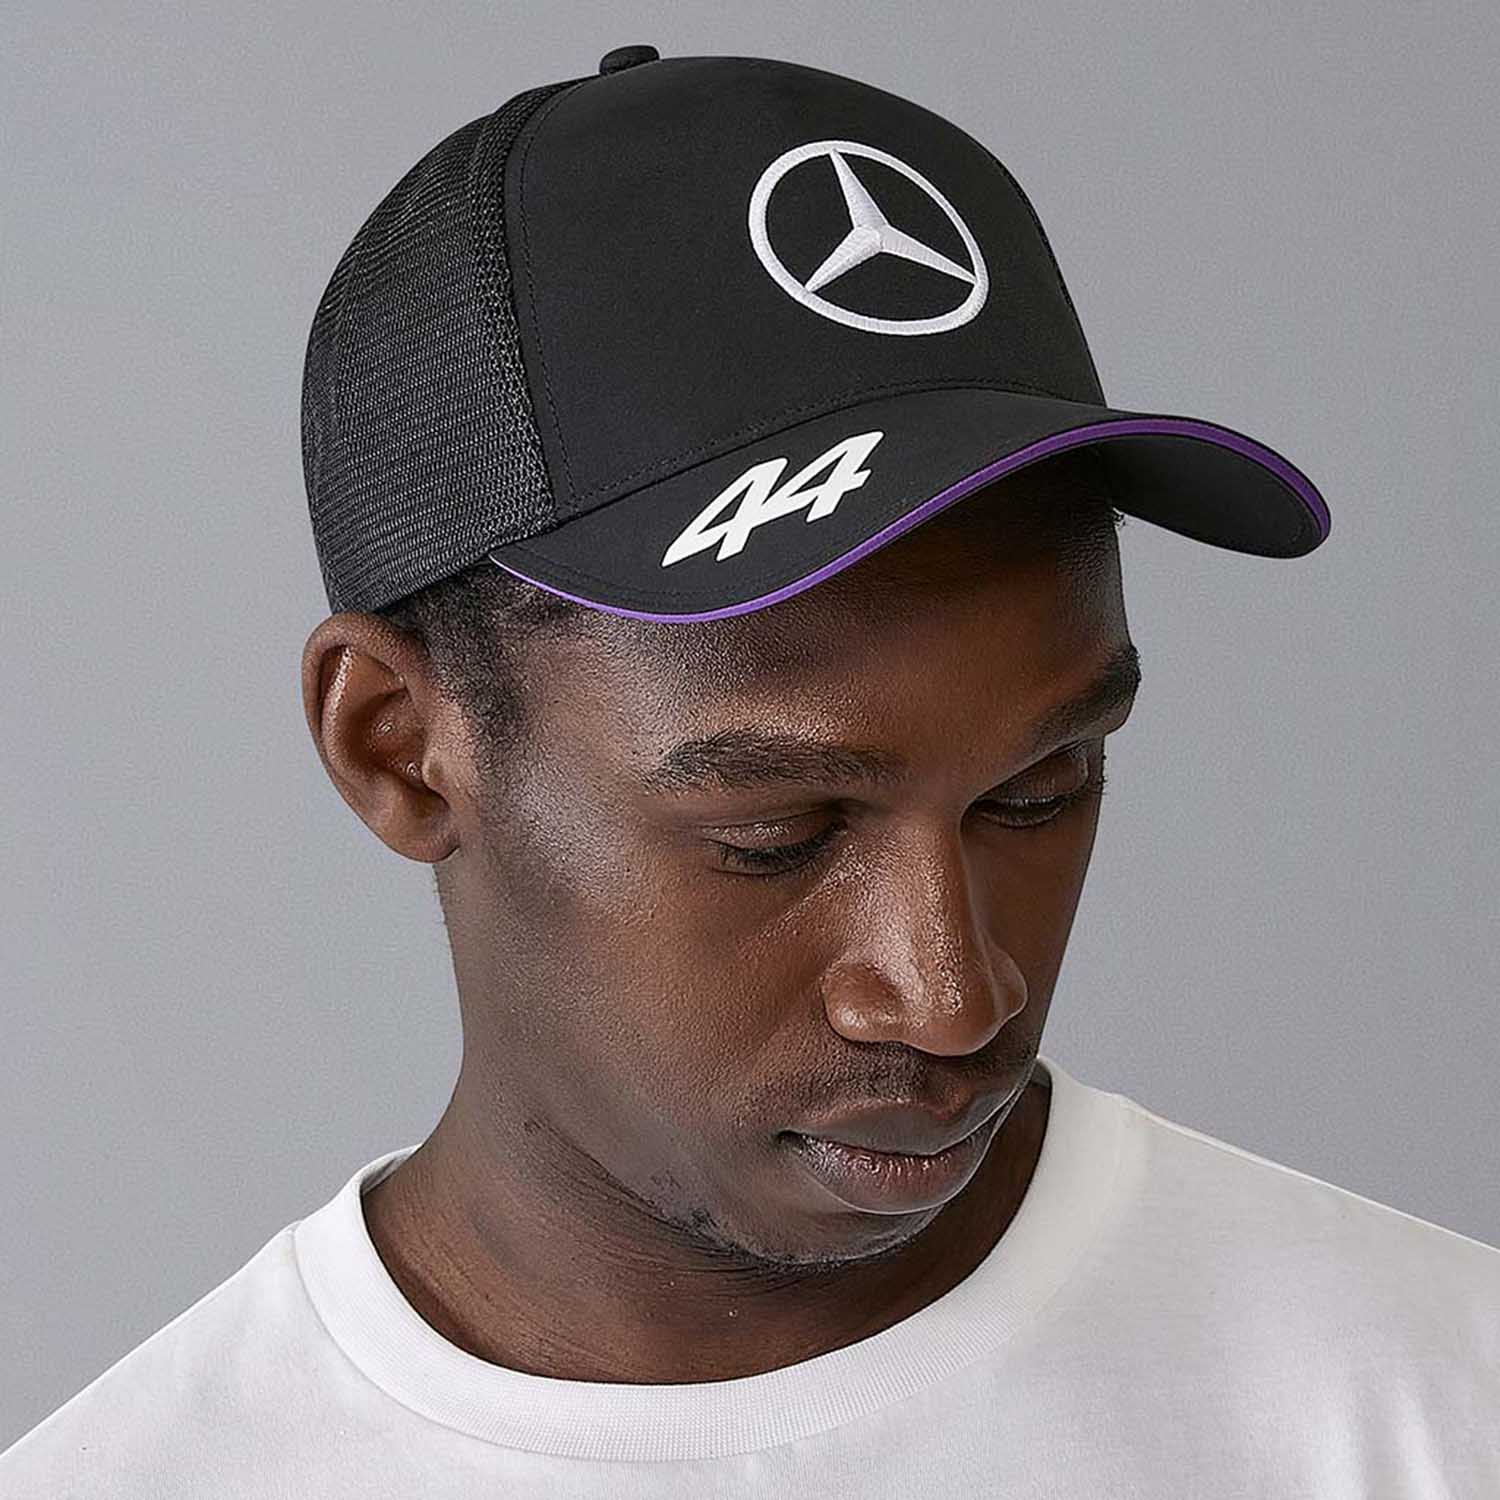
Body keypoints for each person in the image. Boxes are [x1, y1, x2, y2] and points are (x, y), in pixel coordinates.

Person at [6, 43, 1495, 1497]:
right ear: (397, 746)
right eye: (779, 830)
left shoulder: (1440, 1402)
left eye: (1039, 790)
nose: (953, 996)